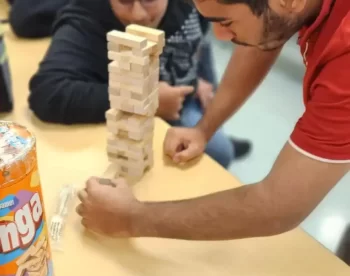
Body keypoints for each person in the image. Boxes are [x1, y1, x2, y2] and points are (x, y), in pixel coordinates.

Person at [76, 0, 350, 241]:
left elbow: (278, 204)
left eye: (226, 21)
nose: (218, 35)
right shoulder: (280, 10)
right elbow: (261, 38)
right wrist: (204, 129)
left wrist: (131, 218)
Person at [28, 0, 252, 168]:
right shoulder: (86, 17)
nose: (138, 14)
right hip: (139, 119)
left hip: (188, 92)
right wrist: (147, 100)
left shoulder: (195, 5)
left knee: (221, 148)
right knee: (222, 153)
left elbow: (199, 42)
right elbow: (47, 93)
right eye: (124, 1)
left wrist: (202, 78)